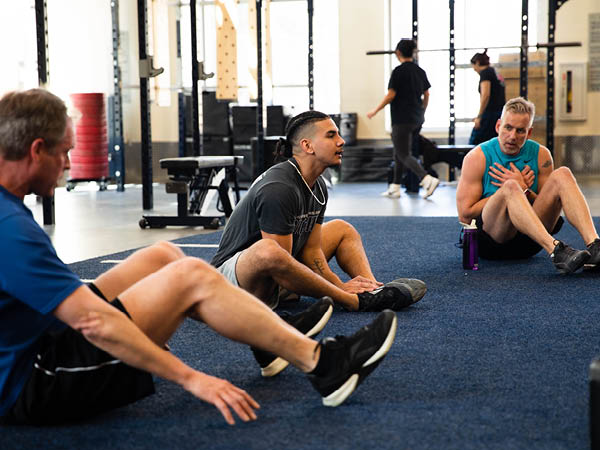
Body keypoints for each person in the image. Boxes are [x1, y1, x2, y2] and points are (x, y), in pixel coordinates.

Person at [0, 89, 399, 426]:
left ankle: (267, 340)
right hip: (33, 381)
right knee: (191, 274)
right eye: (65, 153)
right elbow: (94, 321)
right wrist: (192, 378)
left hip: (34, 341)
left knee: (164, 255)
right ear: (36, 150)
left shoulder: (9, 209)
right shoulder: (9, 227)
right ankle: (322, 363)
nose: (69, 165)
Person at [211, 111, 427, 318]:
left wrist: (338, 283)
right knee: (269, 250)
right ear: (308, 145)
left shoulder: (318, 185)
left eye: (339, 134)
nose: (341, 141)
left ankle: (372, 291)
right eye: (331, 135)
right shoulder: (278, 187)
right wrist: (341, 292)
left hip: (276, 274)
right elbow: (280, 265)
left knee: (342, 229)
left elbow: (312, 250)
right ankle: (353, 301)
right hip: (233, 284)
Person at [456, 97, 600, 274]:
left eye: (520, 131)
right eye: (508, 128)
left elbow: (550, 206)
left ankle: (595, 246)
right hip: (494, 241)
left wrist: (525, 190)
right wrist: (506, 193)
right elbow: (465, 214)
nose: (512, 136)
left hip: (530, 242)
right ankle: (556, 251)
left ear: (529, 132)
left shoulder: (540, 155)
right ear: (498, 126)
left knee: (563, 174)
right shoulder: (477, 157)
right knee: (510, 187)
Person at [367, 39, 439, 199]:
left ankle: (426, 179)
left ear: (398, 53)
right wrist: (422, 111)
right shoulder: (420, 71)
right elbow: (427, 94)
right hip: (417, 119)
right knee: (399, 152)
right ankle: (395, 187)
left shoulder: (398, 71)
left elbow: (391, 95)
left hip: (401, 120)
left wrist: (375, 110)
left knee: (403, 153)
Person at [469, 50, 506, 145]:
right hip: (499, 114)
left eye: (473, 66)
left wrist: (479, 117)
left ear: (477, 63)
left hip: (490, 115)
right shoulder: (494, 72)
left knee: (474, 144)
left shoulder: (485, 73)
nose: (474, 69)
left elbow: (485, 95)